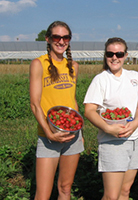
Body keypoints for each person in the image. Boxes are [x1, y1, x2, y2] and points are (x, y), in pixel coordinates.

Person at [83, 37, 138, 200]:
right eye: (110, 53)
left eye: (119, 53)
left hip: (135, 139)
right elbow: (89, 110)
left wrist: (136, 122)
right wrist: (108, 128)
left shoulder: (135, 76)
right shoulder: (101, 79)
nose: (114, 57)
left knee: (125, 191)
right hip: (112, 141)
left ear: (125, 55)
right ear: (105, 55)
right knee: (112, 196)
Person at [29, 21, 84, 200]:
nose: (61, 41)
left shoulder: (73, 66)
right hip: (48, 136)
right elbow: (35, 103)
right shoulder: (39, 64)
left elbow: (72, 100)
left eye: (65, 37)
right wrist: (48, 132)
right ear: (48, 39)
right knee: (43, 194)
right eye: (56, 37)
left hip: (72, 135)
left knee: (65, 188)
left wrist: (79, 130)